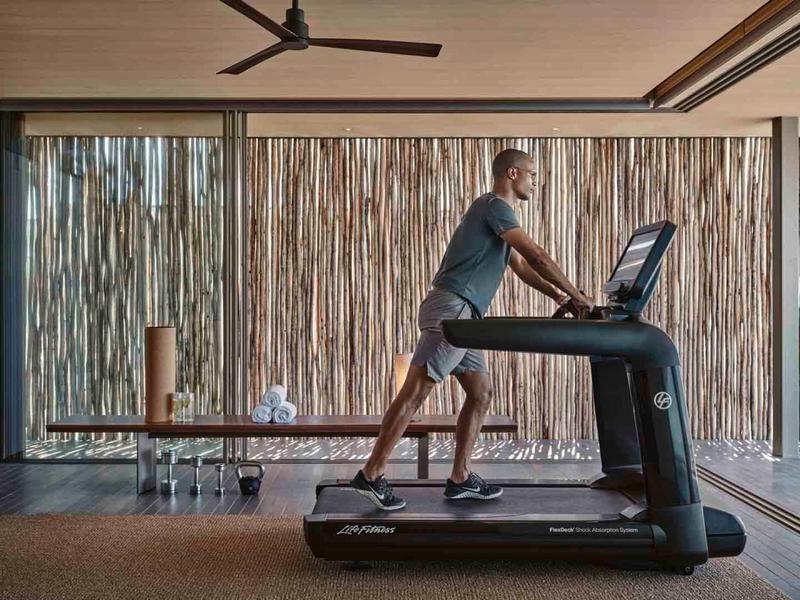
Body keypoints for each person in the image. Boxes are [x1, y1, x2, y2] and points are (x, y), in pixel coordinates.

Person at [350, 148, 595, 510]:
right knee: (416, 392)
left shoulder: (493, 215)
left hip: (468, 314)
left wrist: (560, 297)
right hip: (455, 309)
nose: (535, 182)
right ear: (512, 173)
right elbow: (537, 257)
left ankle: (460, 478)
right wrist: (579, 296)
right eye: (532, 174)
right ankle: (370, 475)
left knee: (480, 393)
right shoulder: (495, 206)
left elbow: (521, 267)